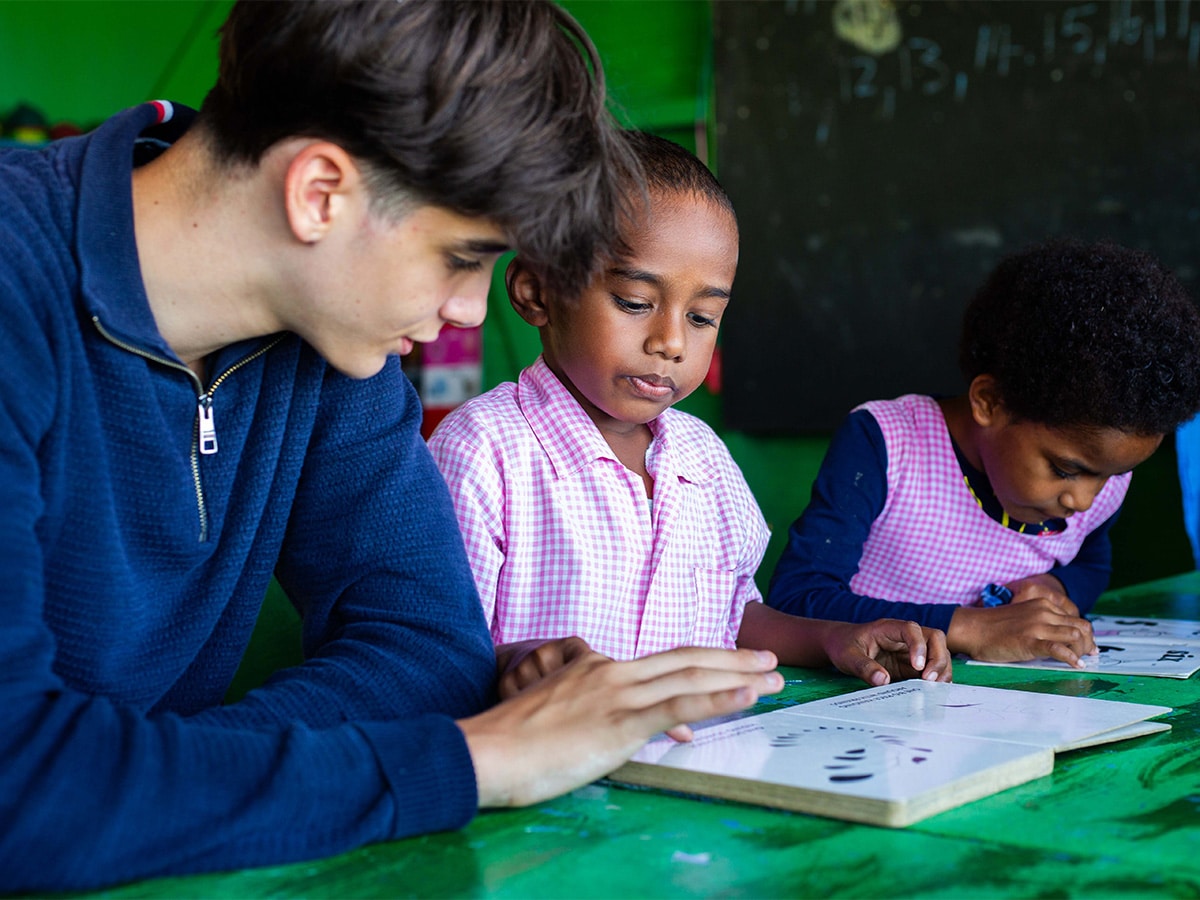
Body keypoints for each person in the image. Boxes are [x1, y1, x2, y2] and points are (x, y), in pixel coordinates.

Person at [0, 2, 787, 892]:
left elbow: (429, 656)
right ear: (320, 194)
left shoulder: (334, 336)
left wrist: (130, 785)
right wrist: (477, 760)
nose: (470, 312)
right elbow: (21, 789)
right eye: (462, 256)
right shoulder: (16, 282)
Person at [428, 131, 952, 703]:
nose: (672, 342)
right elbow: (433, 646)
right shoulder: (484, 451)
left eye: (702, 317)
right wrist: (515, 663)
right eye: (634, 303)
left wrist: (834, 638)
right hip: (552, 753)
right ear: (537, 292)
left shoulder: (703, 459)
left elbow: (734, 614)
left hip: (697, 751)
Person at [767, 238, 1200, 667]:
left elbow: (1091, 562)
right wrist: (971, 628)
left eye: (1111, 475)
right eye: (1064, 470)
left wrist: (1057, 587)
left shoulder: (1102, 476)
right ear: (989, 402)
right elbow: (797, 598)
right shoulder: (886, 444)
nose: (1084, 501)